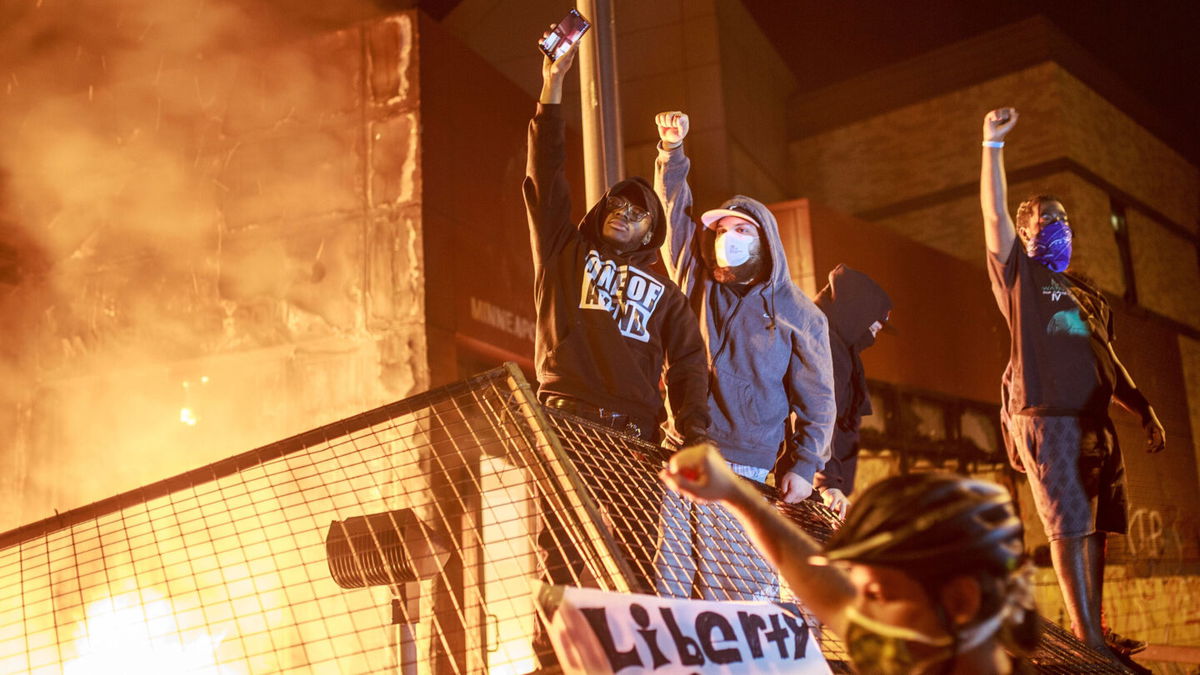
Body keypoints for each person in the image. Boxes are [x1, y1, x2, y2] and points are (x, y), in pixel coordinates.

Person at [525, 31, 711, 603]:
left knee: (632, 563)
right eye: (616, 205)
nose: (624, 214)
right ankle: (556, 660)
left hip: (636, 434)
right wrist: (551, 87)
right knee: (559, 556)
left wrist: (693, 434)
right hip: (568, 420)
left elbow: (689, 361)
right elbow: (545, 178)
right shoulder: (564, 252)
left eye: (638, 212)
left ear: (650, 231)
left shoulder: (667, 293)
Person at [979, 107, 1166, 660]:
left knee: (1097, 527)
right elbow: (991, 216)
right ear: (1027, 229)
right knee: (1070, 524)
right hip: (1049, 415)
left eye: (1065, 221)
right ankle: (1088, 644)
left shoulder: (1088, 295)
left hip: (1096, 423)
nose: (1059, 228)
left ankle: (1096, 633)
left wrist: (1144, 407)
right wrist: (991, 146)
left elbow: (1109, 359)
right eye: (1047, 220)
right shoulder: (1021, 278)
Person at [650, 110, 835, 603]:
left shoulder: (799, 312)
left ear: (766, 240)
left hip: (746, 467)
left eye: (741, 230)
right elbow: (673, 215)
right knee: (672, 584)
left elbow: (818, 400)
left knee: (737, 591)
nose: (726, 237)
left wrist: (804, 464)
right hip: (681, 450)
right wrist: (672, 153)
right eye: (721, 228)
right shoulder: (698, 280)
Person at [662, 443, 1042, 675]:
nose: (855, 613)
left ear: (961, 600)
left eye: (876, 595)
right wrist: (732, 492)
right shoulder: (922, 645)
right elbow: (816, 581)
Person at [812, 264, 893, 518]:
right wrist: (827, 483)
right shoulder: (825, 348)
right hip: (817, 492)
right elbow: (817, 414)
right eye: (875, 321)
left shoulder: (842, 352)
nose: (877, 330)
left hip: (827, 489)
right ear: (856, 310)